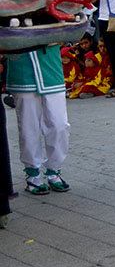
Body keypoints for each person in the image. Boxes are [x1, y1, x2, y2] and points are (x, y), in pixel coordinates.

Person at [6, 45, 71, 194]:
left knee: (59, 124)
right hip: (23, 69)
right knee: (28, 126)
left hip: (50, 68)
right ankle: (32, 174)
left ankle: (54, 170)